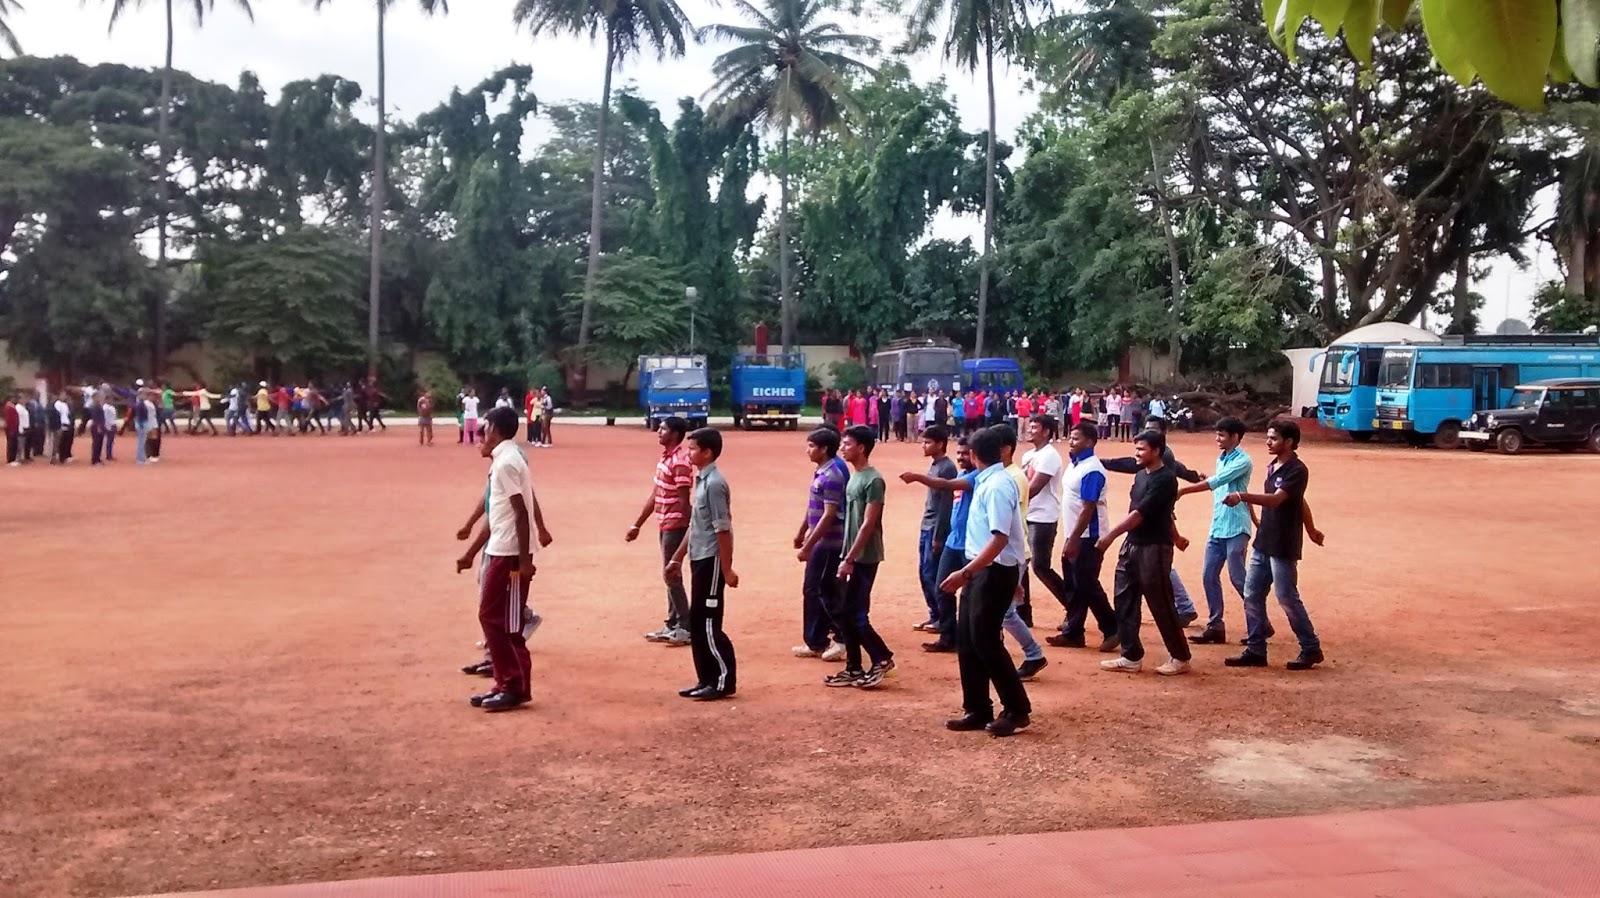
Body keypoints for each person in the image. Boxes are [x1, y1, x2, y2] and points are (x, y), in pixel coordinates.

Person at [453, 406, 553, 712]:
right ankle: (504, 682)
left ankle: (513, 686)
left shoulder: (507, 462)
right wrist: (471, 553)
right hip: (502, 549)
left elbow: (521, 512)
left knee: (503, 621)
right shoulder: (504, 460)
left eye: (484, 430)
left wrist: (523, 561)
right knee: (494, 617)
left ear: (494, 430)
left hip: (509, 554)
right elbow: (500, 516)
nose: (480, 436)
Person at [939, 425, 1032, 737]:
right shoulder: (986, 480)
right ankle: (977, 708)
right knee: (968, 638)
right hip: (984, 568)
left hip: (990, 570)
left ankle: (1017, 708)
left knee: (986, 640)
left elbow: (1000, 539)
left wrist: (965, 573)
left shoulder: (997, 486)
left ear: (974, 454)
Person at [1223, 420, 1325, 671]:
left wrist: (1242, 496)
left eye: (1274, 438)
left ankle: (1310, 647)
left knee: (1286, 596)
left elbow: (1278, 500)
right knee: (1252, 594)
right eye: (1268, 437)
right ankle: (1256, 649)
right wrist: (1311, 529)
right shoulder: (1274, 466)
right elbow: (1299, 501)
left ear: (1289, 442)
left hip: (1283, 543)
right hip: (1265, 540)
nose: (1268, 442)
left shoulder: (1296, 470)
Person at [1095, 429, 1193, 676]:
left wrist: (1110, 536)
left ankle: (1180, 656)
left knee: (1160, 603)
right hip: (1132, 544)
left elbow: (1141, 514)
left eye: (1141, 449)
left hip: (1154, 547)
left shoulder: (1165, 479)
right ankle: (1130, 655)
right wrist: (1177, 536)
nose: (1137, 454)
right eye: (1136, 448)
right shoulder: (1141, 475)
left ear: (1156, 451)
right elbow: (1150, 511)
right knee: (1124, 600)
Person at [1100, 418, 1203, 627]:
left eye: (1153, 430)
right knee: (1148, 571)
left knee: (1159, 569)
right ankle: (1174, 609)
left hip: (1155, 515)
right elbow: (1179, 468)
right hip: (1148, 519)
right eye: (1146, 429)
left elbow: (1132, 465)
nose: (1148, 433)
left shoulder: (1164, 458)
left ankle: (1184, 607)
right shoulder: (1154, 460)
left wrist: (1102, 462)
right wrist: (1193, 476)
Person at [666, 428, 740, 700]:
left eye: (693, 449)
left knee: (708, 621)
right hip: (699, 557)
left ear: (707, 452)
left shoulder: (714, 484)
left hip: (712, 560)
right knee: (697, 621)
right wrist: (677, 557)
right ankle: (705, 678)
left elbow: (723, 529)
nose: (689, 453)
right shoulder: (702, 481)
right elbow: (697, 525)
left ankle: (722, 680)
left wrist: (727, 568)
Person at [826, 426, 896, 688]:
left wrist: (850, 559)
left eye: (847, 444)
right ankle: (853, 667)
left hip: (865, 556)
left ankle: (882, 658)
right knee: (845, 613)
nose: (842, 448)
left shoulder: (873, 480)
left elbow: (868, 524)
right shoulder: (855, 477)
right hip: (851, 553)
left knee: (856, 613)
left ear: (862, 448)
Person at [1177, 416, 1253, 645]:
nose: (1217, 439)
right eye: (1217, 434)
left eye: (1222, 435)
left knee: (1238, 578)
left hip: (1236, 526)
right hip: (1219, 525)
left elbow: (1218, 482)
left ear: (1235, 437)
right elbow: (1235, 488)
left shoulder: (1243, 461)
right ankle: (1215, 625)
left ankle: (1259, 622)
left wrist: (1183, 491)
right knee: (1209, 575)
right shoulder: (1222, 458)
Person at [1049, 421, 1120, 652]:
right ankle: (1073, 632)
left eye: (1076, 438)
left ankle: (1112, 627)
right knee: (1074, 584)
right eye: (1071, 437)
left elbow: (1087, 508)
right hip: (1075, 533)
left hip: (1090, 536)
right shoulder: (1075, 464)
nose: (1071, 441)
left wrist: (1073, 539)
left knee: (1086, 582)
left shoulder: (1092, 470)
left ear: (1090, 442)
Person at [629, 417, 694, 648]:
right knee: (670, 575)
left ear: (674, 434)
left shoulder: (680, 462)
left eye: (663, 428)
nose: (658, 430)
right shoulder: (666, 458)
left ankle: (685, 627)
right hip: (665, 524)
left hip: (676, 525)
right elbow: (656, 494)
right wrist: (637, 524)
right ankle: (673, 623)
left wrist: (689, 530)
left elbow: (684, 501)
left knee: (671, 574)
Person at [792, 427, 848, 661]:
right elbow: (813, 505)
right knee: (813, 590)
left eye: (811, 446)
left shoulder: (833, 475)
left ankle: (841, 638)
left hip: (829, 543)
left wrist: (808, 545)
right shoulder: (821, 472)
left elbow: (829, 514)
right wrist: (802, 531)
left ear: (824, 449)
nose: (807, 450)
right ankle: (816, 640)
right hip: (819, 541)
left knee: (826, 591)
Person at [1019, 415, 1068, 633]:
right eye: (1030, 426)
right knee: (1020, 564)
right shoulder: (1029, 455)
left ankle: (1073, 606)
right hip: (1027, 514)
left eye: (1034, 427)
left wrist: (1011, 502)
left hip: (1043, 517)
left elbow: (1034, 487)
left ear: (1046, 431)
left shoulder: (1050, 456)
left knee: (1040, 566)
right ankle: (1023, 612)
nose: (1030, 430)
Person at [912, 425, 957, 633]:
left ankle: (941, 617)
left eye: (927, 442)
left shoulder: (947, 468)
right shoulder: (935, 465)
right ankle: (934, 615)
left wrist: (939, 535)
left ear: (940, 444)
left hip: (935, 527)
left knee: (932, 573)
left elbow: (945, 505)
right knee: (924, 572)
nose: (923, 445)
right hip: (927, 524)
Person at [52, 391, 75, 464]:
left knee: (65, 442)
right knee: (58, 442)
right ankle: (55, 458)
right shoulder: (57, 404)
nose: (64, 397)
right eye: (62, 395)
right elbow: (57, 415)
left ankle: (63, 457)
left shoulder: (65, 404)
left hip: (66, 424)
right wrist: (59, 426)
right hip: (61, 425)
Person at [3, 393, 19, 466]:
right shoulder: (8, 407)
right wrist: (11, 429)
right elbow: (8, 419)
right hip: (11, 429)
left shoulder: (11, 406)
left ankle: (13, 459)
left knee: (14, 444)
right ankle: (10, 459)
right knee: (11, 444)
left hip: (14, 428)